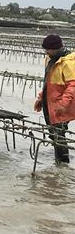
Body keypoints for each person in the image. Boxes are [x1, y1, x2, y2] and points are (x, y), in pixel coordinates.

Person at [34, 34, 75, 163]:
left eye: (48, 49)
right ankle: (58, 164)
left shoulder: (68, 63)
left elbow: (72, 85)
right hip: (50, 102)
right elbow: (48, 83)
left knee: (58, 133)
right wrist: (41, 98)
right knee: (53, 132)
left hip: (61, 104)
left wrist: (63, 104)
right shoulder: (51, 59)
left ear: (56, 48)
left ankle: (63, 163)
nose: (46, 51)